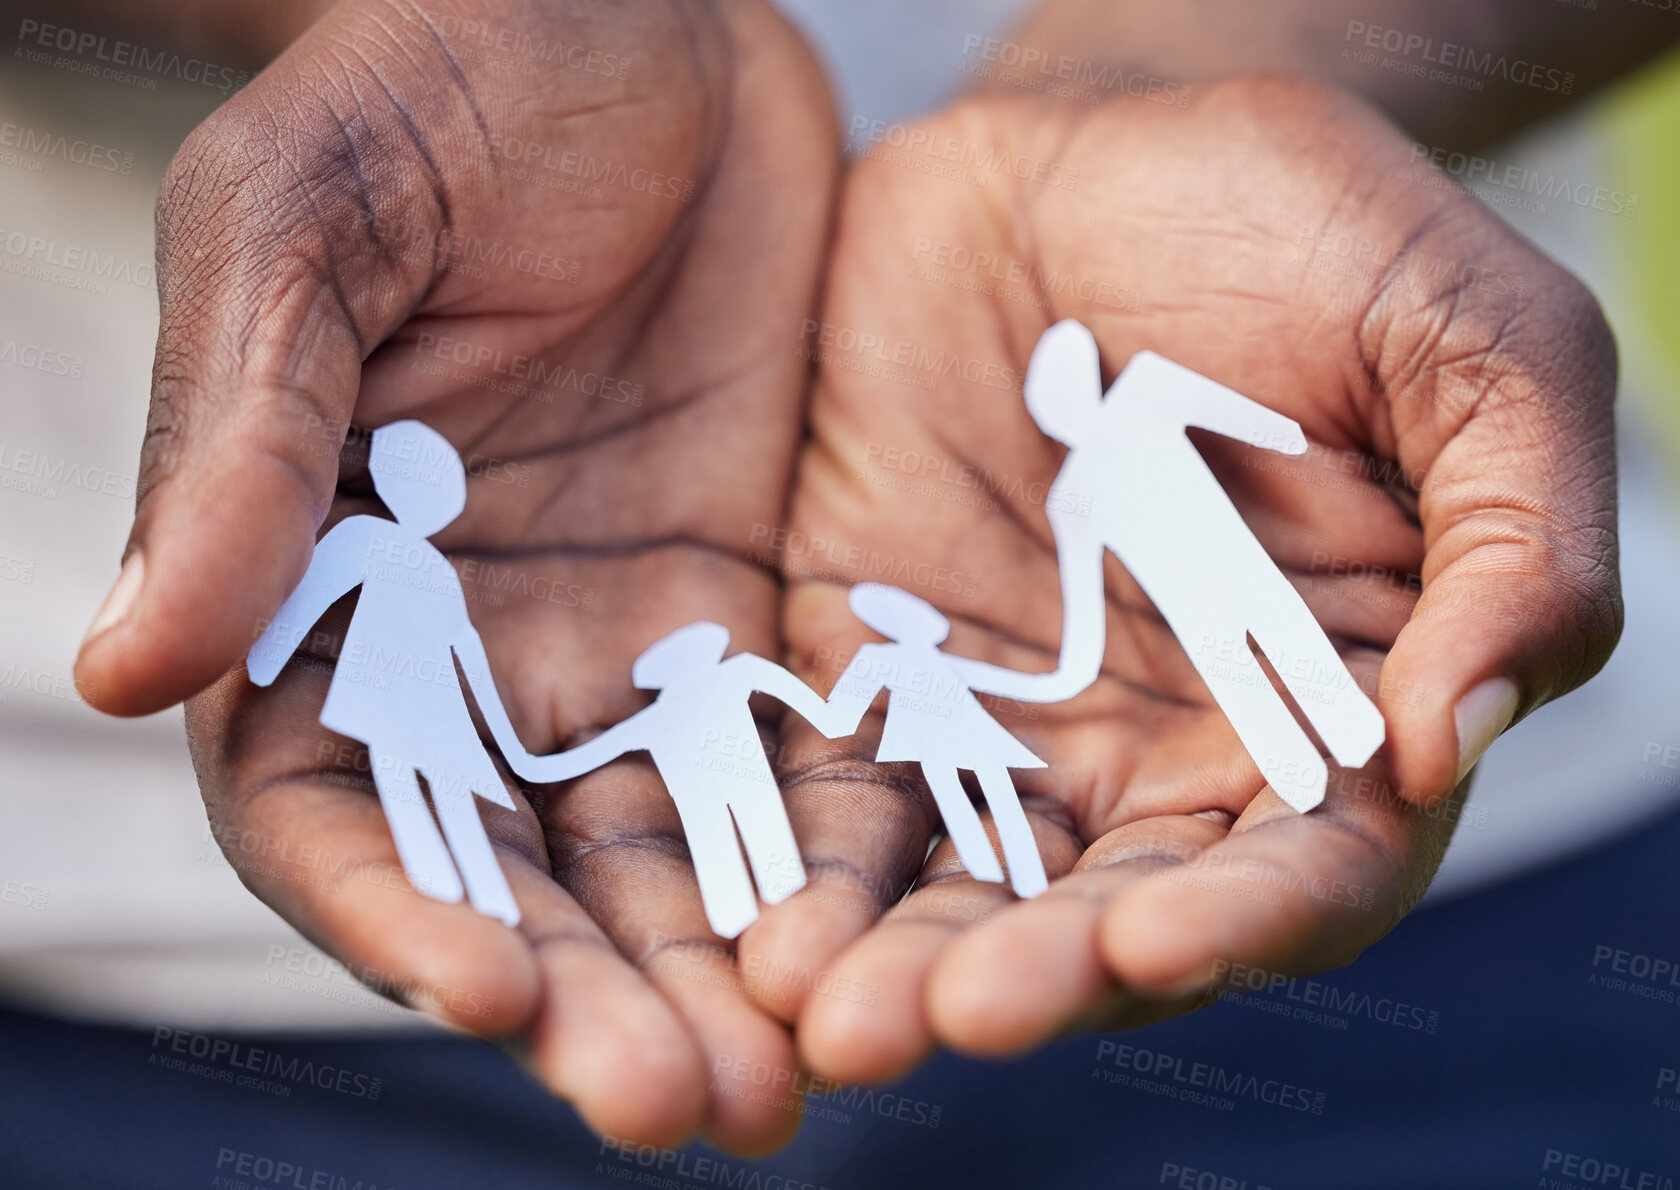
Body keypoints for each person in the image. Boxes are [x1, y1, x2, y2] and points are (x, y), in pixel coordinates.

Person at [1019, 320, 1386, 812]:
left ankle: (1340, 755)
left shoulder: (1114, 433)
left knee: (1273, 672)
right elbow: (1266, 427)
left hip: (1223, 588)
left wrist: (1064, 676)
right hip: (1228, 582)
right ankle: (1333, 759)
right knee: (1275, 669)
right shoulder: (1130, 412)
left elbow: (1250, 420)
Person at [246, 420, 535, 927]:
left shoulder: (436, 569)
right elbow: (315, 595)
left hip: (430, 700)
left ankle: (484, 889)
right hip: (385, 689)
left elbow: (465, 648)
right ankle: (441, 877)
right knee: (403, 778)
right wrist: (267, 659)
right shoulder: (366, 537)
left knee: (441, 788)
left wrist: (514, 749)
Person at [510, 622, 850, 939]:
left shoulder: (665, 711)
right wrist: (840, 713)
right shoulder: (735, 672)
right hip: (740, 783)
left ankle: (745, 907)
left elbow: (559, 764)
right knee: (752, 843)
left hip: (714, 794)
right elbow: (815, 707)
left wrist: (517, 756)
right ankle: (764, 896)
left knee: (725, 848)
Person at [822, 582, 1102, 898]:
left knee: (999, 801)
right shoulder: (878, 658)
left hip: (971, 736)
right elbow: (843, 713)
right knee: (961, 802)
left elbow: (1025, 686)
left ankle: (1026, 882)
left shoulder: (941, 661)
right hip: (932, 741)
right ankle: (989, 879)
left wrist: (1071, 676)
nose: (931, 622)